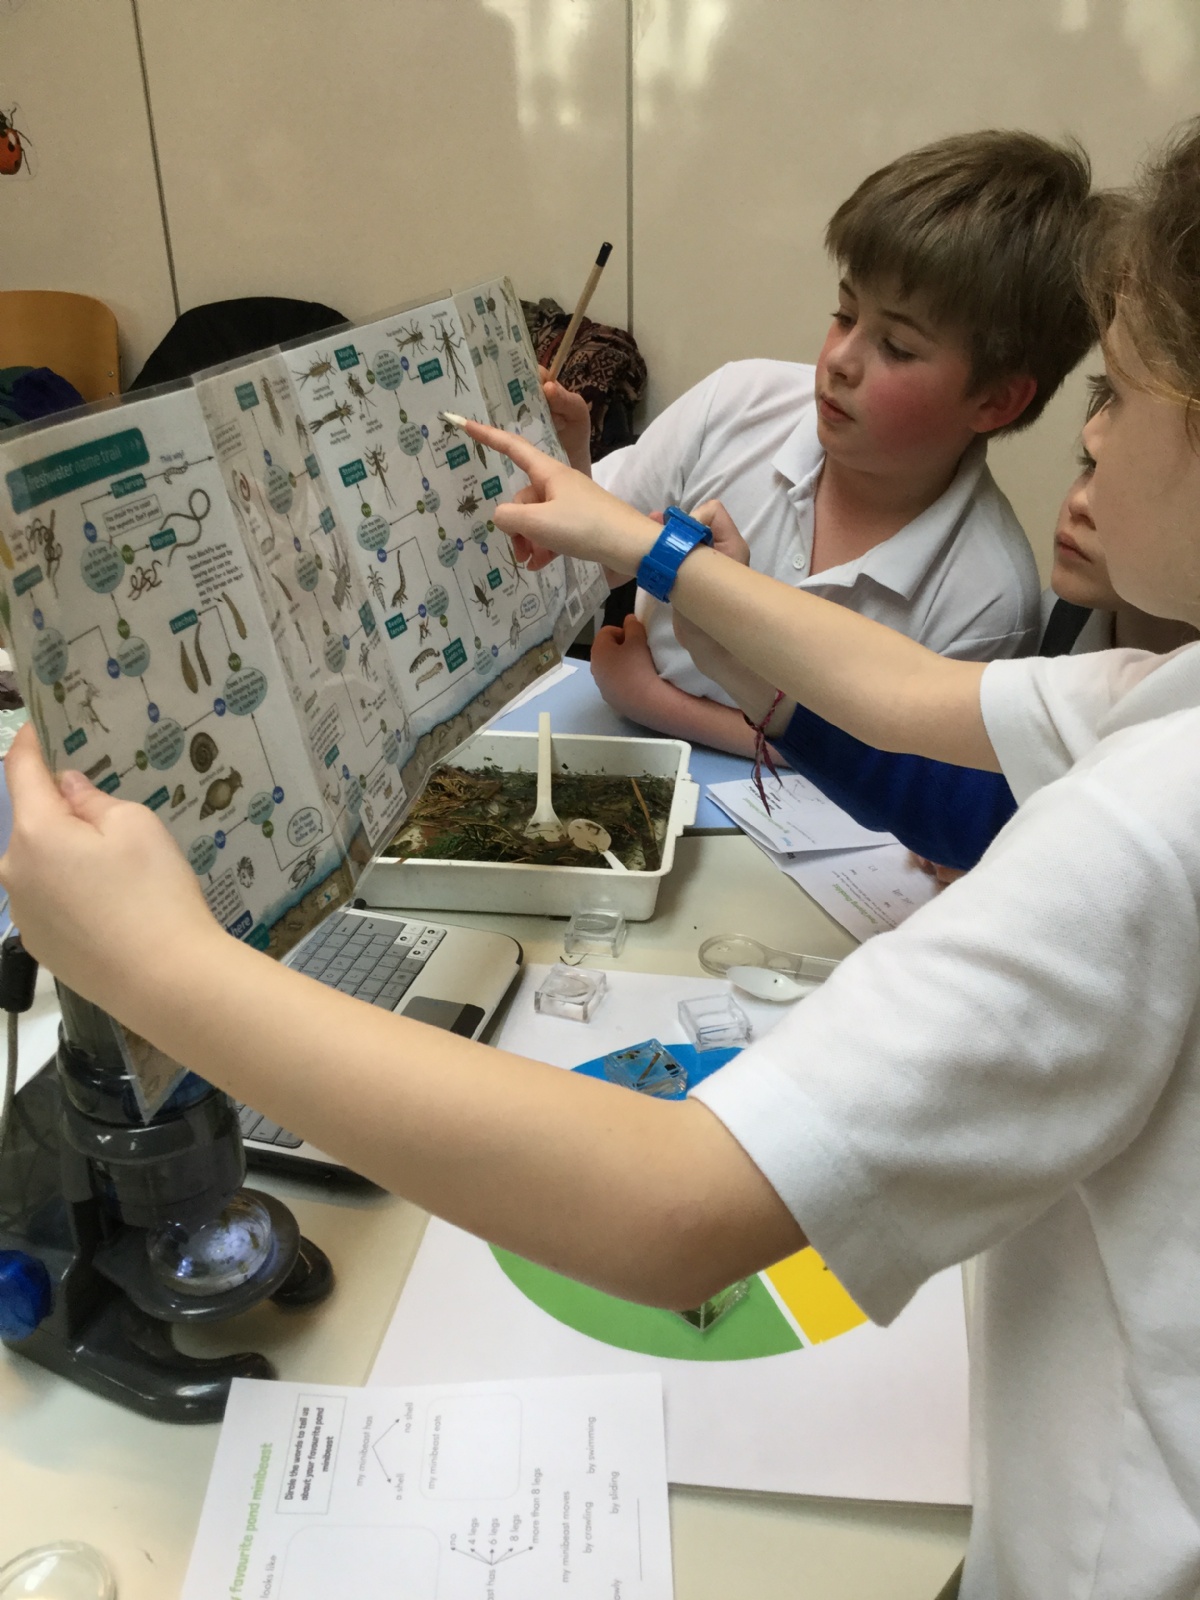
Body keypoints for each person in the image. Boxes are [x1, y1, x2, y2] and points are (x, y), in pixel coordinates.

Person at [7, 120, 1200, 1598]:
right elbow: (907, 701)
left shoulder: (1155, 824)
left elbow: (675, 1204)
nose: (1092, 437)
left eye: (1124, 392)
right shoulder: (1162, 697)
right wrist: (649, 545)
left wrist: (159, 965)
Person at [543, 130, 1097, 755]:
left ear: (995, 400)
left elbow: (875, 765)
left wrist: (650, 700)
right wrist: (571, 464)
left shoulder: (988, 594)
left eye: (897, 347)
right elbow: (586, 565)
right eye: (845, 315)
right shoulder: (738, 404)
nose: (839, 360)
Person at [681, 378, 1196, 874]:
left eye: (1126, 481)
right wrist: (728, 658)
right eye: (1087, 468)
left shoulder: (995, 590)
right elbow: (974, 802)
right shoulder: (1065, 618)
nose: (1082, 501)